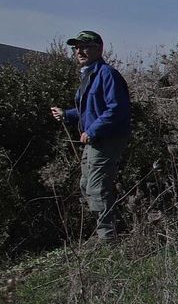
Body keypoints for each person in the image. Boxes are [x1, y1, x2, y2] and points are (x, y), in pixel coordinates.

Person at [49, 31, 132, 241]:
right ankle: (111, 229)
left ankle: (108, 239)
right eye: (76, 47)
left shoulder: (107, 74)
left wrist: (92, 130)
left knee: (96, 188)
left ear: (99, 49)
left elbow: (116, 109)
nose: (79, 51)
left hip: (106, 139)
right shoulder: (89, 74)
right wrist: (66, 114)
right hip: (95, 140)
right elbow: (89, 110)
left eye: (85, 46)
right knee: (86, 186)